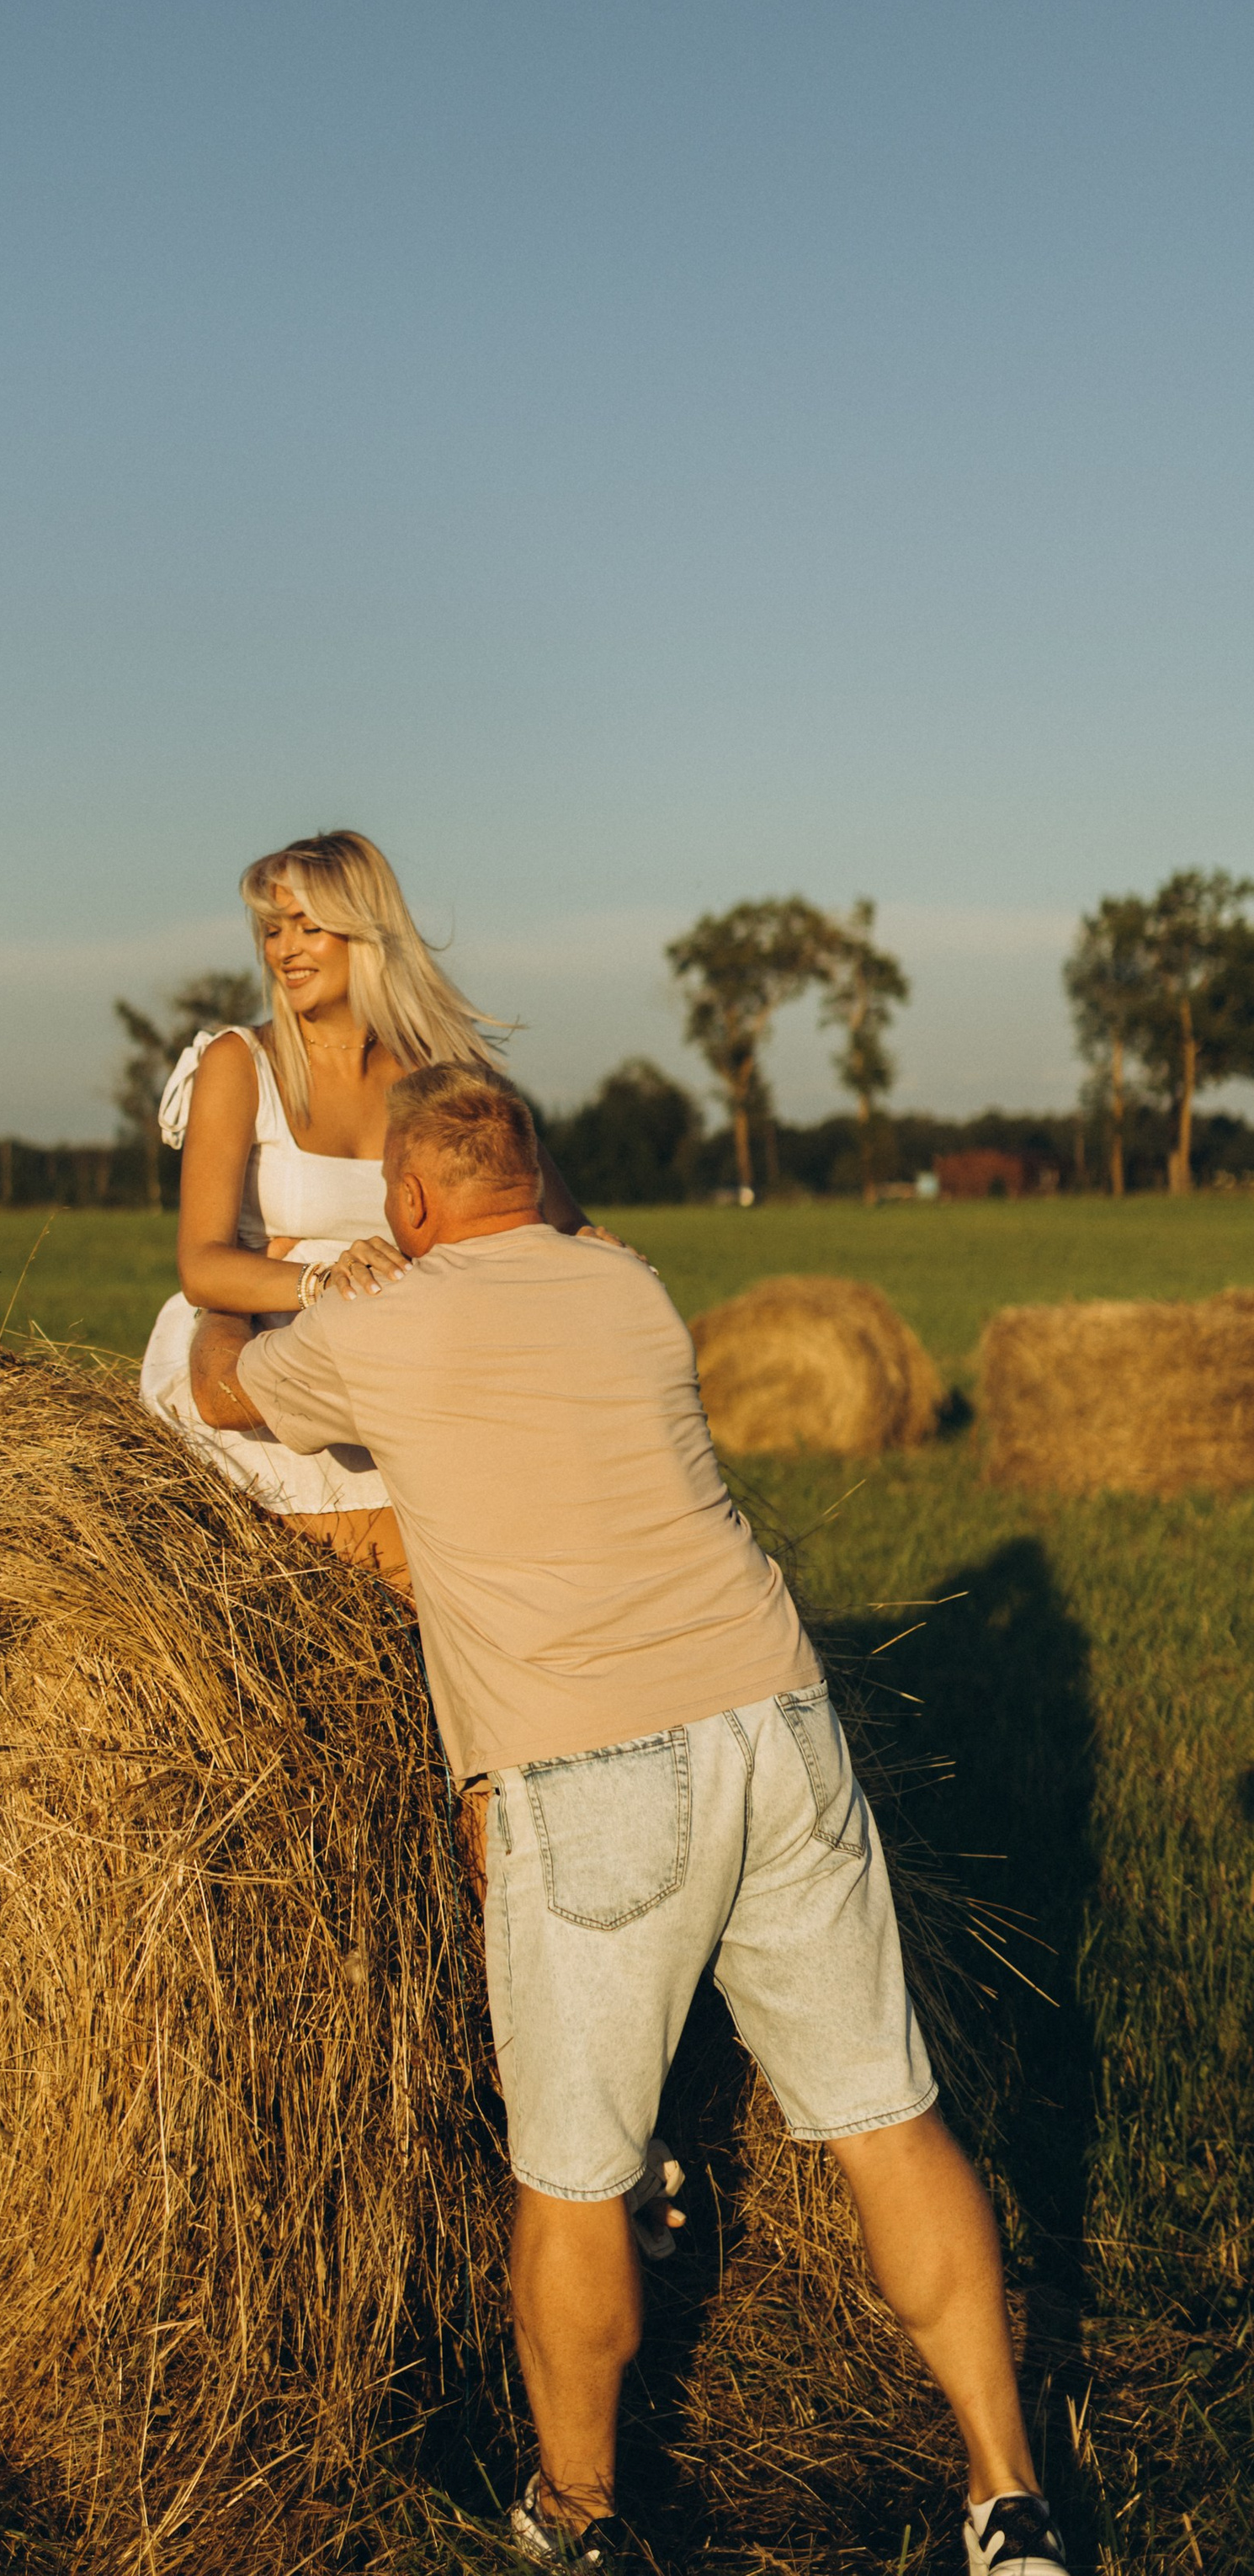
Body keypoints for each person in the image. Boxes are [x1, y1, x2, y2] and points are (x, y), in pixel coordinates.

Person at [189, 1062, 1071, 2576]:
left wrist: (251, 1292)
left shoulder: (382, 1325)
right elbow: (554, 1228)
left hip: (587, 1773)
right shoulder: (632, 1288)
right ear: (538, 1177)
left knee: (576, 2178)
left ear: (408, 1200)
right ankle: (1010, 2495)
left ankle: (579, 2515)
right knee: (887, 2122)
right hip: (782, 1733)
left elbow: (219, 1389)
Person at [139, 828, 596, 1599]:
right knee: (391, 1578)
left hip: (412, 1344)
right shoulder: (237, 1065)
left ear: (366, 933)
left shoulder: (441, 1072)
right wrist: (319, 1279)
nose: (285, 949)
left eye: (308, 926)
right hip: (254, 1343)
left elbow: (557, 1223)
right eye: (273, 929)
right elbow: (202, 1264)